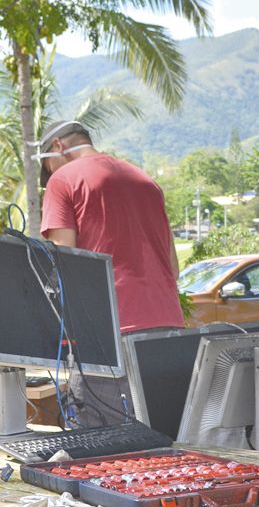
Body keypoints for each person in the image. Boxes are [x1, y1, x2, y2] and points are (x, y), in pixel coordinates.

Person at [39, 120, 184, 422]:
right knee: (162, 440)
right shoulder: (145, 180)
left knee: (100, 446)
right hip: (169, 329)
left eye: (47, 167)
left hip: (108, 330)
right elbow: (173, 267)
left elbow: (63, 259)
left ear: (58, 146)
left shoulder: (63, 179)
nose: (49, 175)